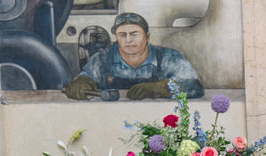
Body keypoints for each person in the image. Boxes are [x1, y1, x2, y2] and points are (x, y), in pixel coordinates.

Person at [61, 12, 204, 100]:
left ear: (147, 36)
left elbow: (193, 85)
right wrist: (81, 83)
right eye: (122, 35)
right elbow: (85, 77)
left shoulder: (169, 58)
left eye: (134, 34)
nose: (128, 40)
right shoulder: (101, 60)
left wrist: (158, 88)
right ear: (116, 37)